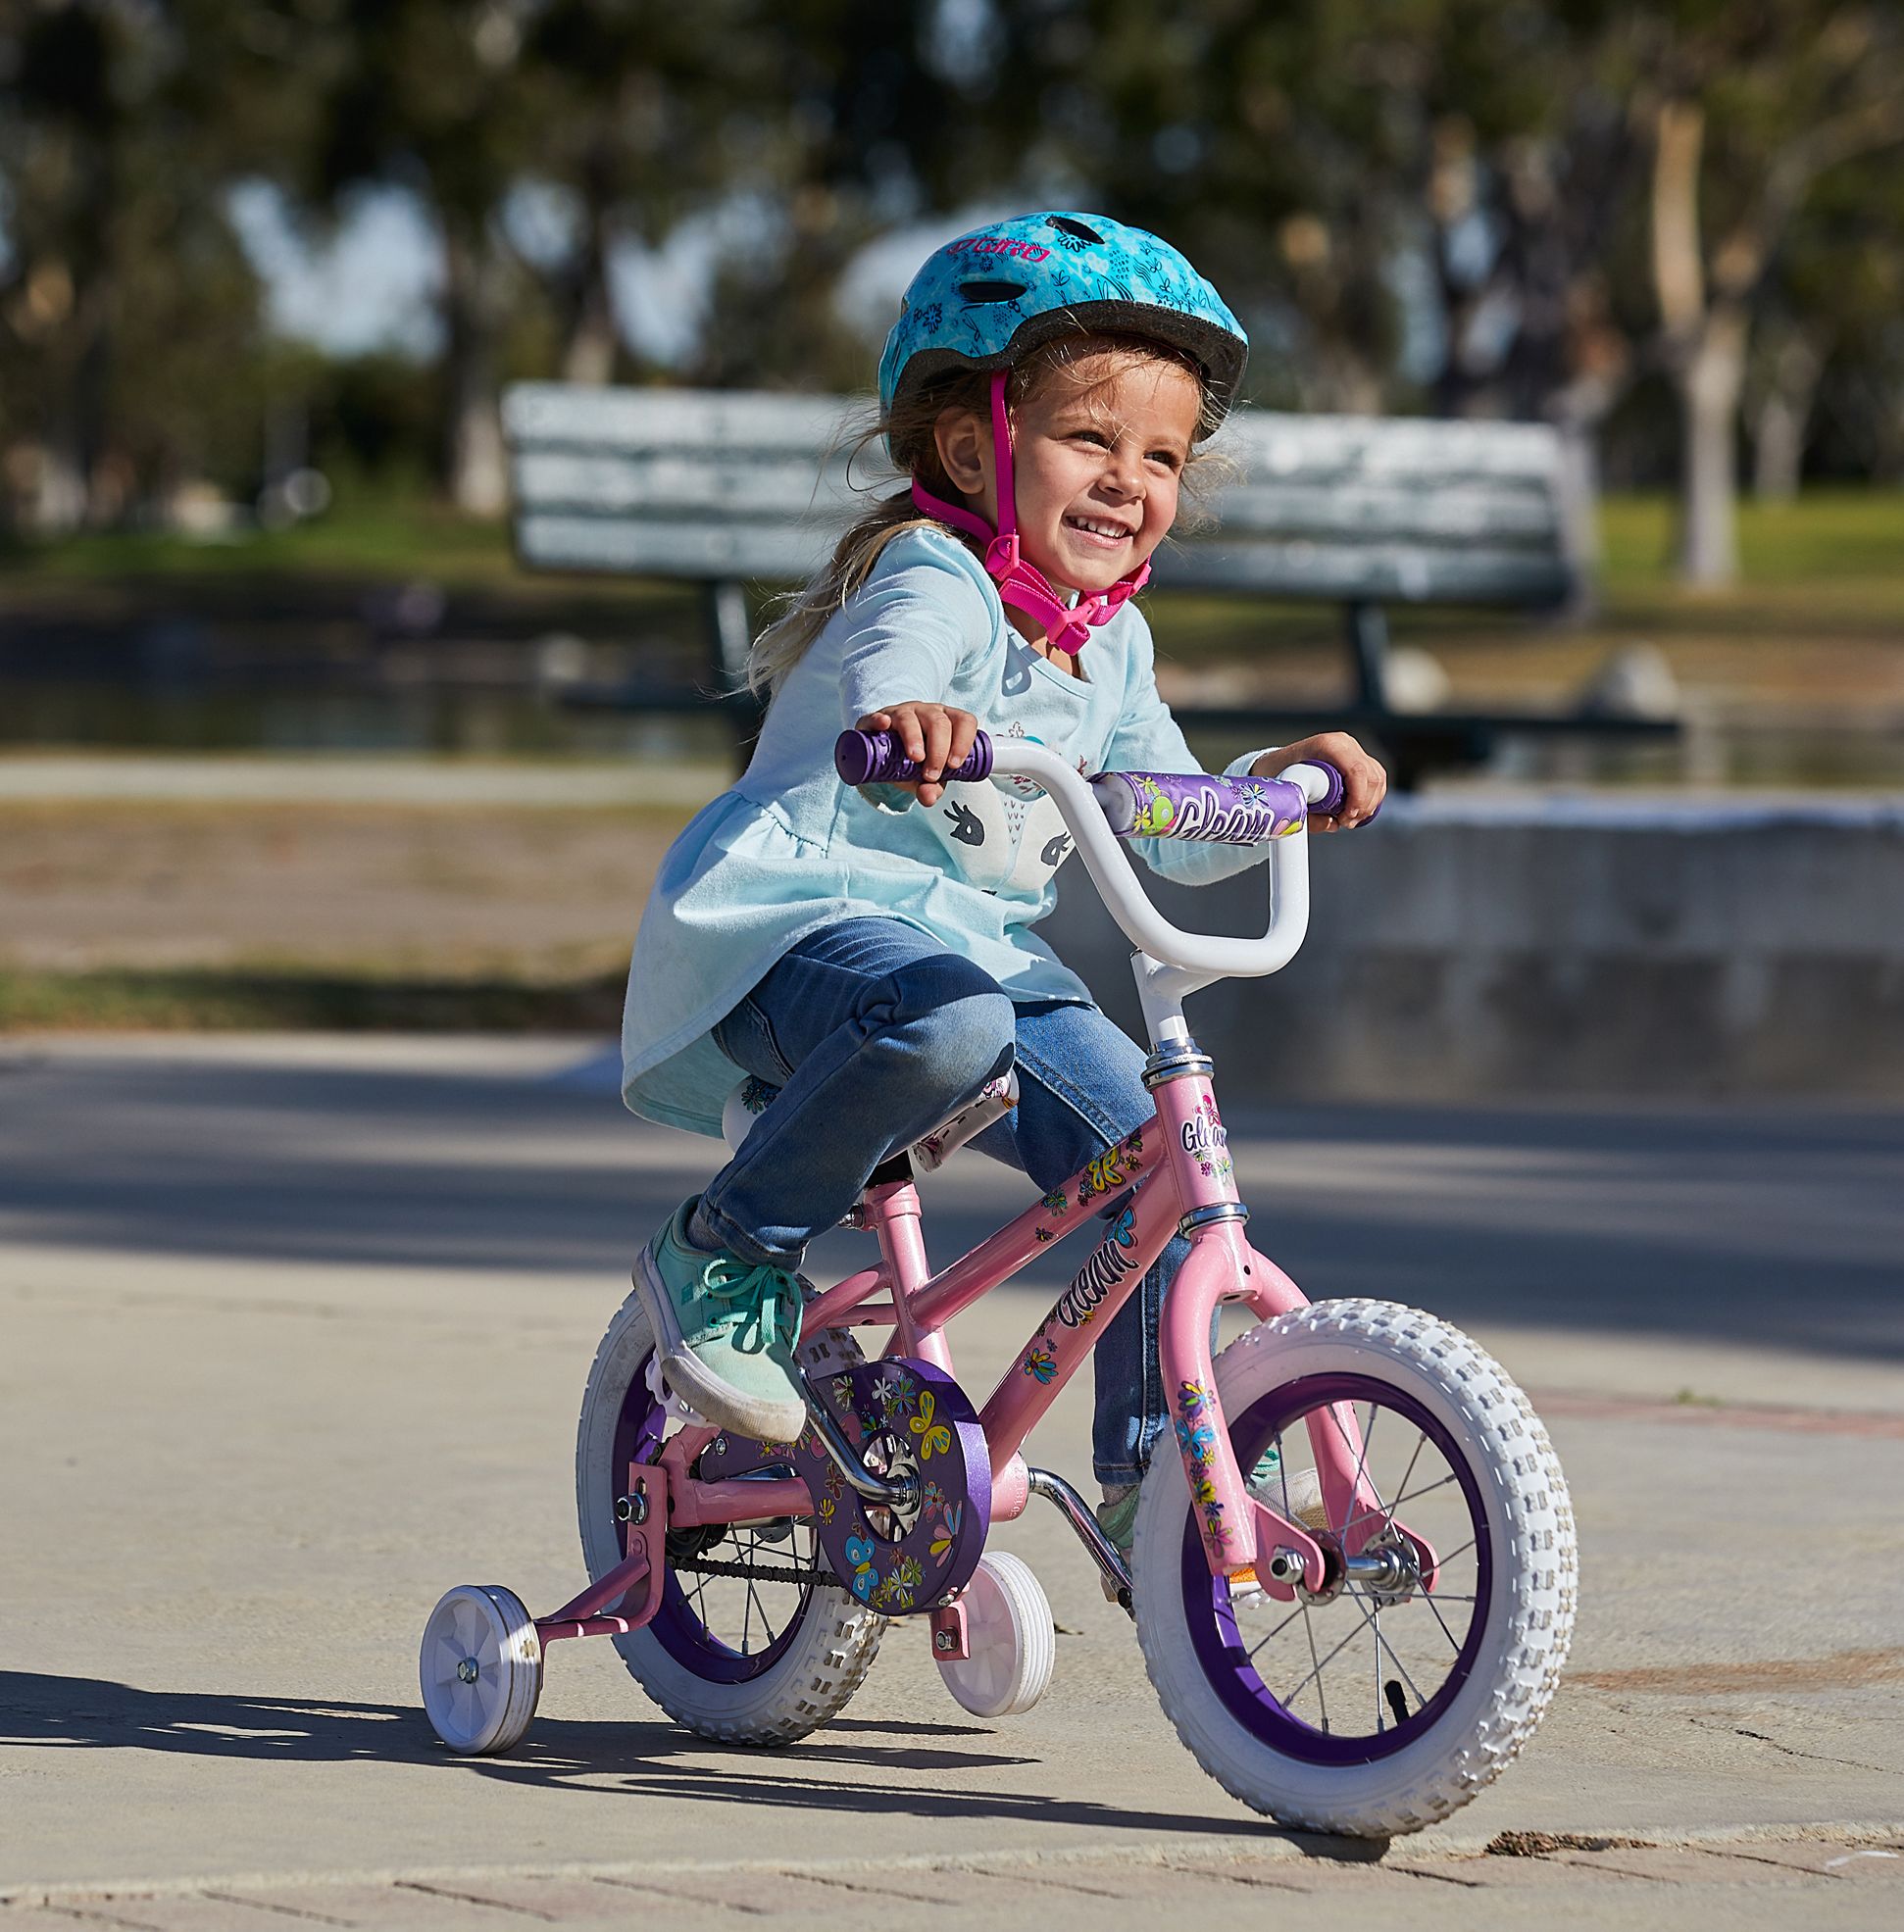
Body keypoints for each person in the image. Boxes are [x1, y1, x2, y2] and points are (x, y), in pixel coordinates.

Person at [619, 212, 1384, 1561]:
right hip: (794, 921)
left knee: (1145, 1154)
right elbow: (896, 661)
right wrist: (909, 711)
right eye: (1090, 441)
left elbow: (1171, 826)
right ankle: (726, 1247)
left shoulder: (1114, 647)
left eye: (1160, 456)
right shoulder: (939, 577)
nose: (1127, 481)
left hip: (967, 947)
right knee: (951, 1021)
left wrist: (1273, 787)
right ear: (976, 447)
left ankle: (1157, 1477)